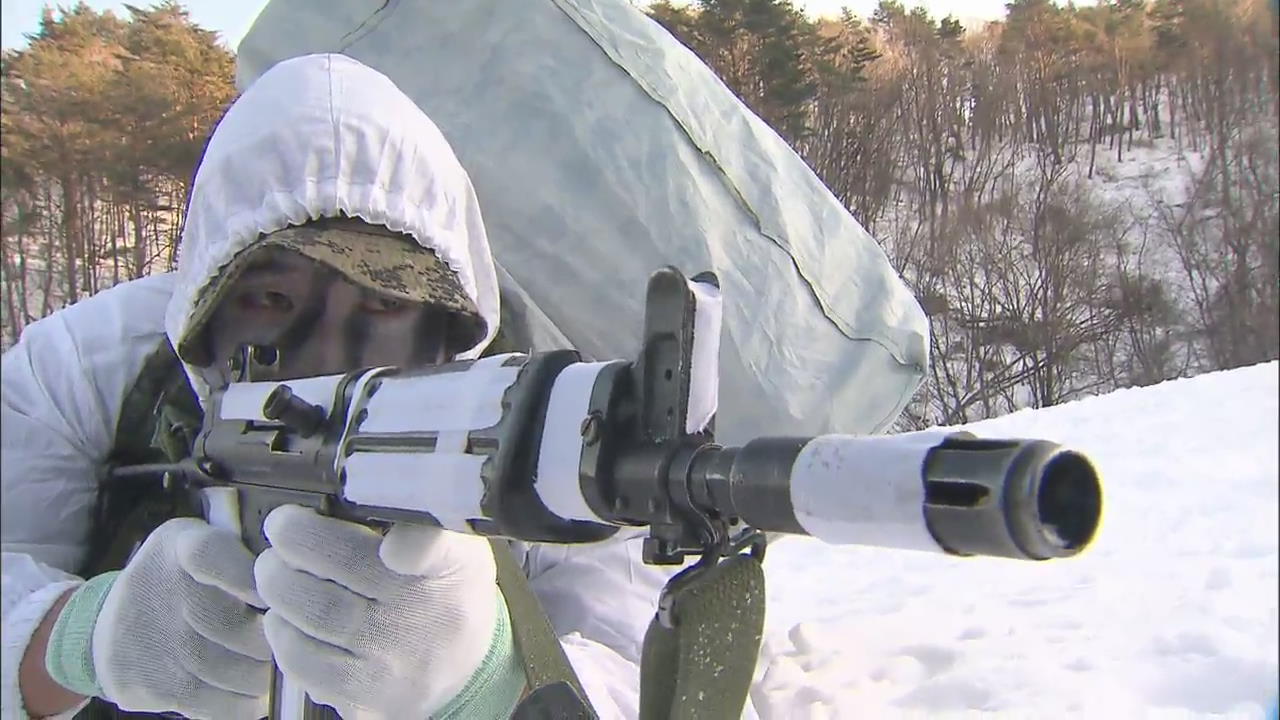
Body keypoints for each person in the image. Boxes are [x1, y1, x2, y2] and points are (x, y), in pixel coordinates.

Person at [1, 53, 678, 720]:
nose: (329, 360)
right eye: (271, 299)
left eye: (383, 305)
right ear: (203, 312)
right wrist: (75, 640)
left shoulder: (534, 422)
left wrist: (489, 686)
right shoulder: (91, 369)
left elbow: (644, 667)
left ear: (449, 329)